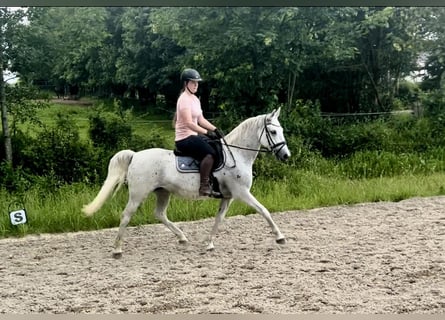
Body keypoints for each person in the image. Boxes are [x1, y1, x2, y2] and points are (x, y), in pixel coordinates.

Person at [174, 68, 224, 197]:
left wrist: (215, 130)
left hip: (194, 136)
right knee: (210, 153)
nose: (196, 85)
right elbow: (189, 123)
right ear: (186, 84)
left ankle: (215, 182)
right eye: (193, 82)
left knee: (218, 146)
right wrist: (206, 132)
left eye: (197, 82)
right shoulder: (184, 99)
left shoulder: (195, 99)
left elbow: (201, 119)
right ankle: (204, 186)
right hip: (184, 138)